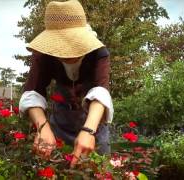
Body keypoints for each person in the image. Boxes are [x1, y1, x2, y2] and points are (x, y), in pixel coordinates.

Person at [19, 0, 114, 167]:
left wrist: (89, 131)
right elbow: (33, 91)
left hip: (94, 126)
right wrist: (42, 127)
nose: (67, 53)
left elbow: (101, 90)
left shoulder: (99, 53)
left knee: (99, 171)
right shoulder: (43, 55)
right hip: (60, 125)